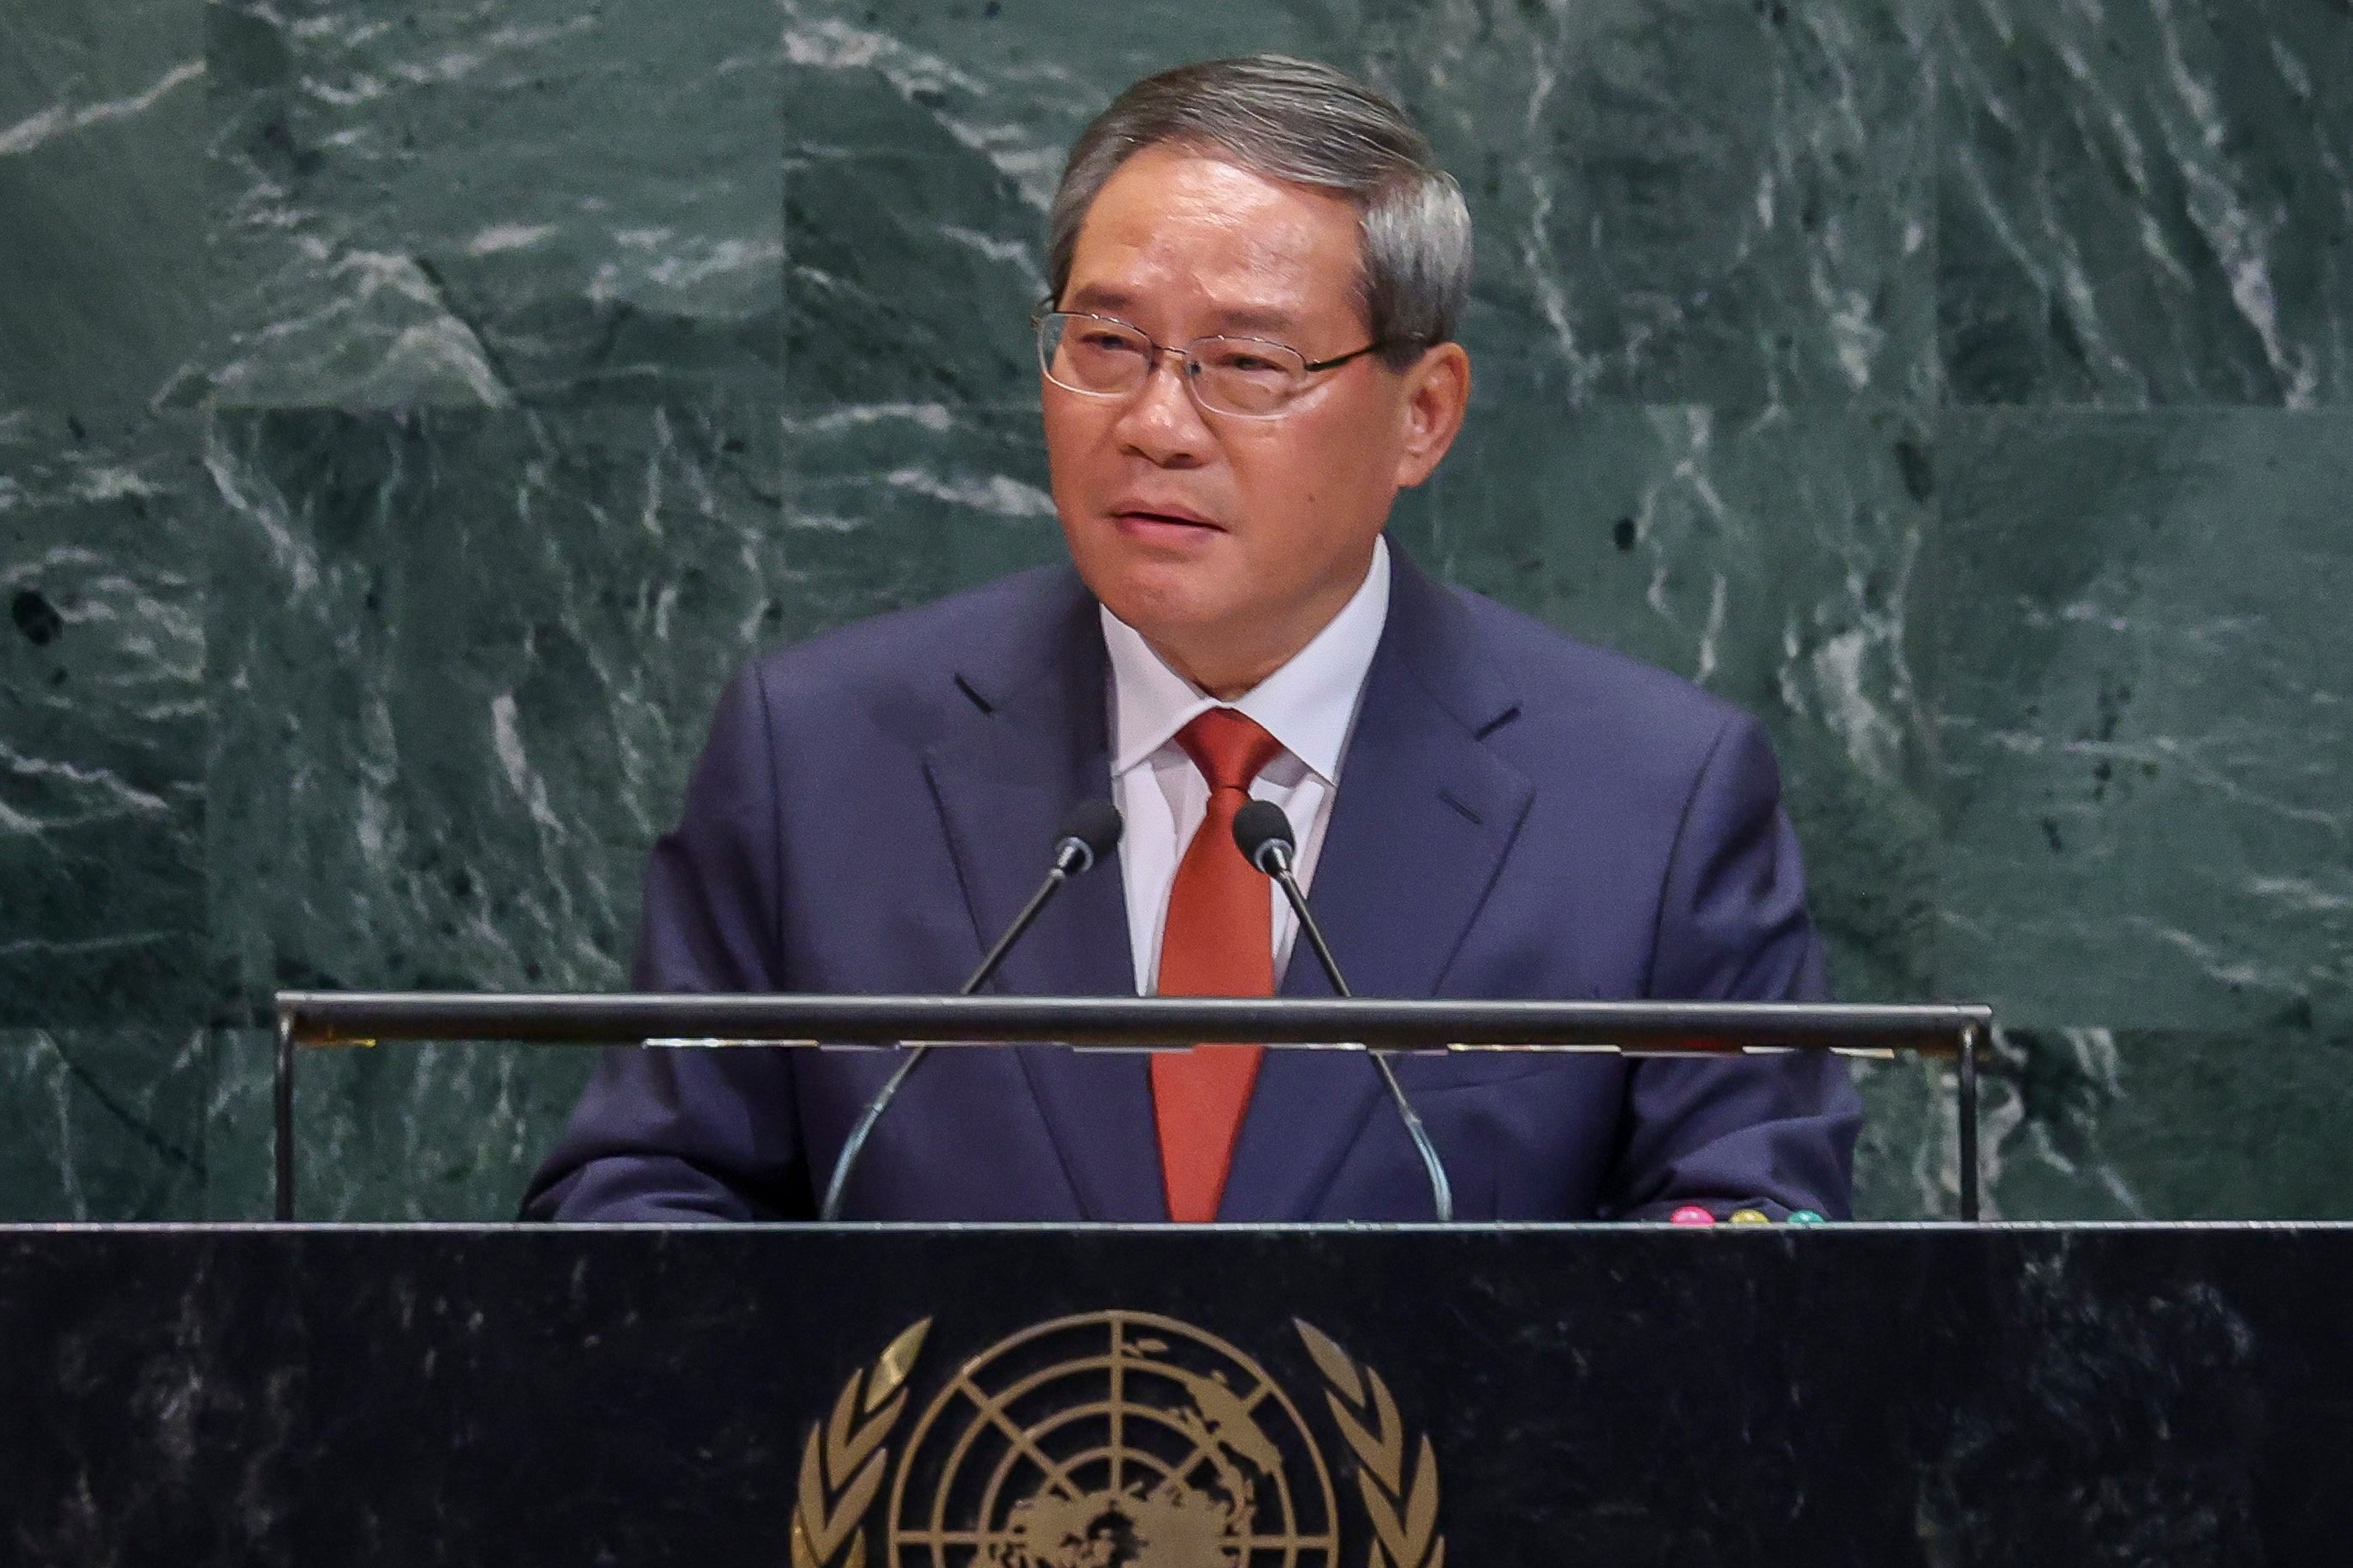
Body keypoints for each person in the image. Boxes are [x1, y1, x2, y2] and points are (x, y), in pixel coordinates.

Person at [523, 55, 1859, 1223]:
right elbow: (646, 1188)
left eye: (1247, 363)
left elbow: (1751, 1216)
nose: (1156, 421)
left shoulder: (1650, 800)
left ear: (1423, 414)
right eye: (1105, 342)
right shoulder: (818, 757)